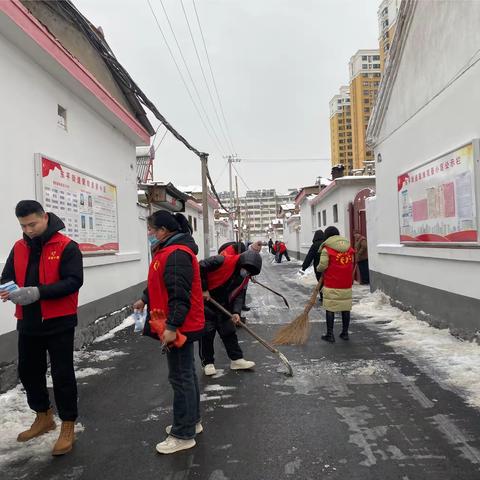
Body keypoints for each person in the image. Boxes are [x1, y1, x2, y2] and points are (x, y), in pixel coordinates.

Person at [0, 200, 83, 456]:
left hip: (59, 320)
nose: (28, 230)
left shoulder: (67, 246)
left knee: (62, 374)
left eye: (32, 224)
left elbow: (74, 281)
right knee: (28, 371)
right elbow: (7, 276)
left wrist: (38, 292)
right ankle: (43, 415)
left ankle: (67, 423)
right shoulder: (19, 246)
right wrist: (9, 290)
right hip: (28, 320)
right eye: (23, 226)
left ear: (45, 217)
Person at [141, 210, 205, 455]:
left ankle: (183, 433)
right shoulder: (167, 251)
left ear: (163, 231)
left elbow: (180, 295)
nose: (149, 234)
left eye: (151, 229)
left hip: (180, 326)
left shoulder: (176, 253)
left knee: (181, 377)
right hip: (177, 323)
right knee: (185, 373)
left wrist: (171, 327)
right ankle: (192, 421)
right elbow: (161, 282)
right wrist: (144, 299)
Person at [199, 250, 262, 376]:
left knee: (229, 331)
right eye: (246, 270)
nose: (246, 273)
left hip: (223, 303)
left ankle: (236, 360)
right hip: (205, 301)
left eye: (249, 272)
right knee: (207, 332)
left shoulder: (242, 277)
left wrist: (236, 312)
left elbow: (238, 295)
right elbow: (200, 266)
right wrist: (204, 288)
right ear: (241, 263)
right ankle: (208, 363)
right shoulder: (220, 260)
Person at [316, 226, 355, 343]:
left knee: (330, 308)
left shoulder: (326, 249)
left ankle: (330, 334)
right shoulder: (349, 248)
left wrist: (319, 269)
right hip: (346, 282)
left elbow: (323, 265)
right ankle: (345, 333)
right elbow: (352, 262)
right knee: (345, 308)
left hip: (332, 282)